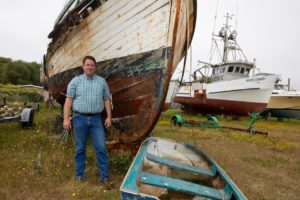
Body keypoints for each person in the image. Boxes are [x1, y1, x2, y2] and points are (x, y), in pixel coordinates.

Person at [63, 55, 113, 189]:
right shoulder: (75, 81)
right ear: (83, 66)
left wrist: (109, 116)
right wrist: (66, 119)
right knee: (80, 149)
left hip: (97, 119)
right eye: (87, 65)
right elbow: (68, 101)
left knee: (101, 148)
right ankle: (79, 176)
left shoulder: (102, 82)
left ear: (95, 67)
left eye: (92, 65)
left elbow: (107, 99)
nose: (90, 67)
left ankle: (104, 178)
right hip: (79, 119)